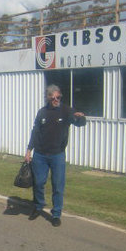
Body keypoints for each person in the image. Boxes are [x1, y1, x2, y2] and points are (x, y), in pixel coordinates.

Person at [25, 84, 86, 227]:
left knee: (58, 185)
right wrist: (29, 150)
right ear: (48, 98)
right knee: (38, 183)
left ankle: (56, 213)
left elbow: (79, 123)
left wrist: (81, 118)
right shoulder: (42, 112)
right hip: (40, 154)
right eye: (53, 98)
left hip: (57, 155)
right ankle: (39, 206)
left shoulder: (66, 111)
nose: (56, 100)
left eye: (58, 97)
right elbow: (35, 131)